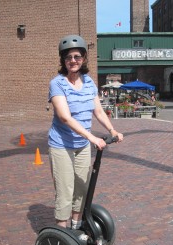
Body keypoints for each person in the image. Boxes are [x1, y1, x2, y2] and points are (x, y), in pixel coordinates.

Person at [48, 35, 123, 230]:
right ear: (63, 61)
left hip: (81, 146)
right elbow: (65, 117)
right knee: (65, 190)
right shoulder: (57, 83)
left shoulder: (89, 82)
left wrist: (112, 130)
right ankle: (61, 232)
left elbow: (98, 111)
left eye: (77, 56)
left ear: (83, 58)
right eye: (68, 57)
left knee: (82, 188)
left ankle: (76, 225)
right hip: (61, 145)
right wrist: (92, 137)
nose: (73, 61)